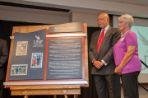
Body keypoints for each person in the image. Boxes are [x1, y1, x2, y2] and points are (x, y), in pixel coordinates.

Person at [89, 12, 121, 98]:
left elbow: (114, 48)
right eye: (98, 19)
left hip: (110, 68)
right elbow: (90, 50)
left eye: (101, 19)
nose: (99, 21)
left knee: (113, 94)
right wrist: (94, 61)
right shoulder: (94, 34)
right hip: (96, 69)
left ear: (107, 20)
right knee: (100, 94)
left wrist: (102, 62)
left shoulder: (115, 31)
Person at [113, 14, 141, 98]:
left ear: (127, 24)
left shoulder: (130, 34)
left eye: (121, 22)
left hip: (130, 68)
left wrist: (120, 67)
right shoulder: (123, 36)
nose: (118, 24)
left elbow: (130, 52)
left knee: (130, 94)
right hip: (125, 69)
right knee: (128, 94)